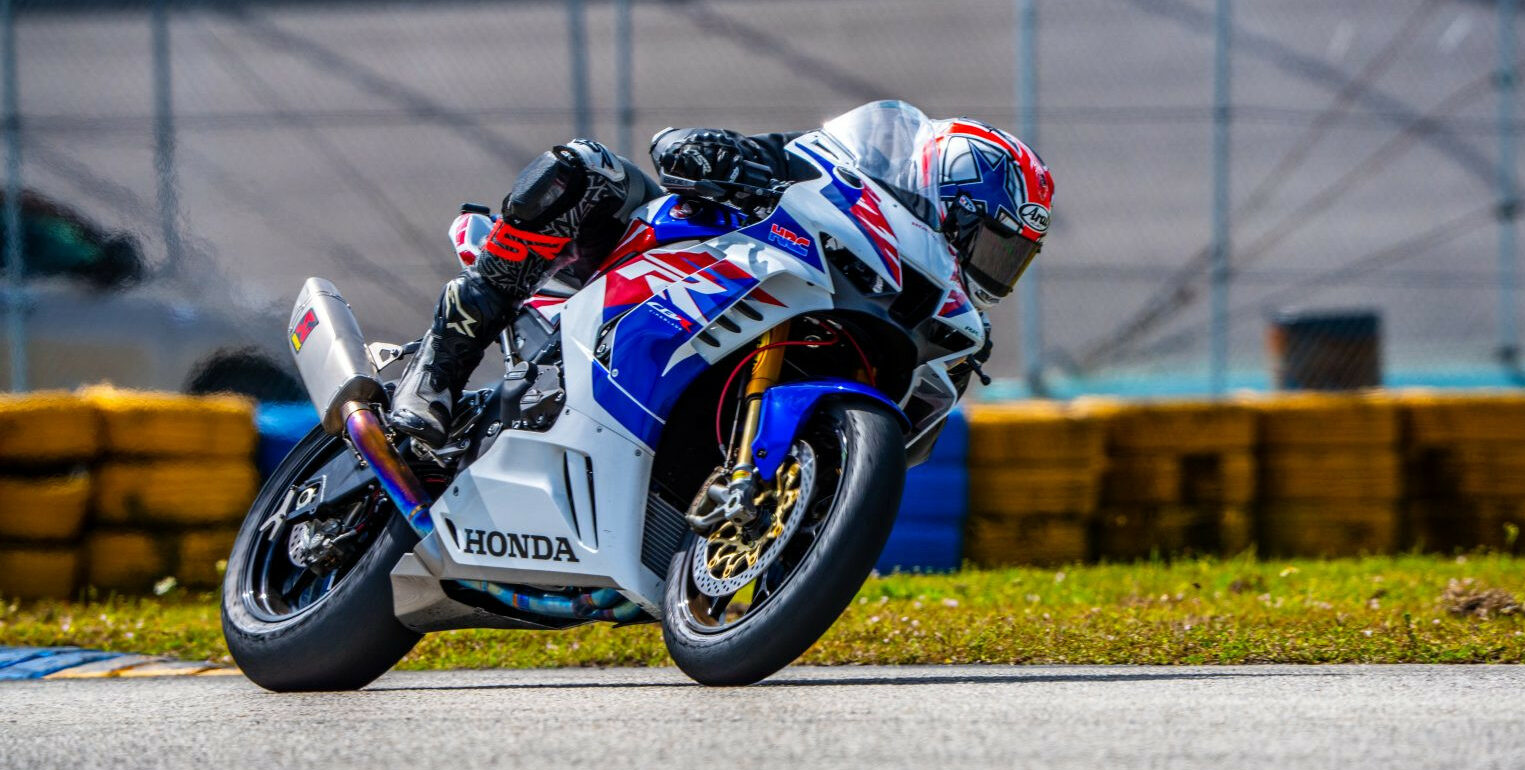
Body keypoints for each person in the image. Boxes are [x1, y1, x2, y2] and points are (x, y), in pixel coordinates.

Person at [389, 115, 1053, 447]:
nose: (994, 269)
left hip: (731, 404)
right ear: (954, 194)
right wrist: (715, 153)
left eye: (1010, 260)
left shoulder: (948, 326)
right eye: (993, 243)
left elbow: (901, 448)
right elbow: (678, 146)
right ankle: (442, 367)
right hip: (661, 267)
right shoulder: (822, 169)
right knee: (585, 170)